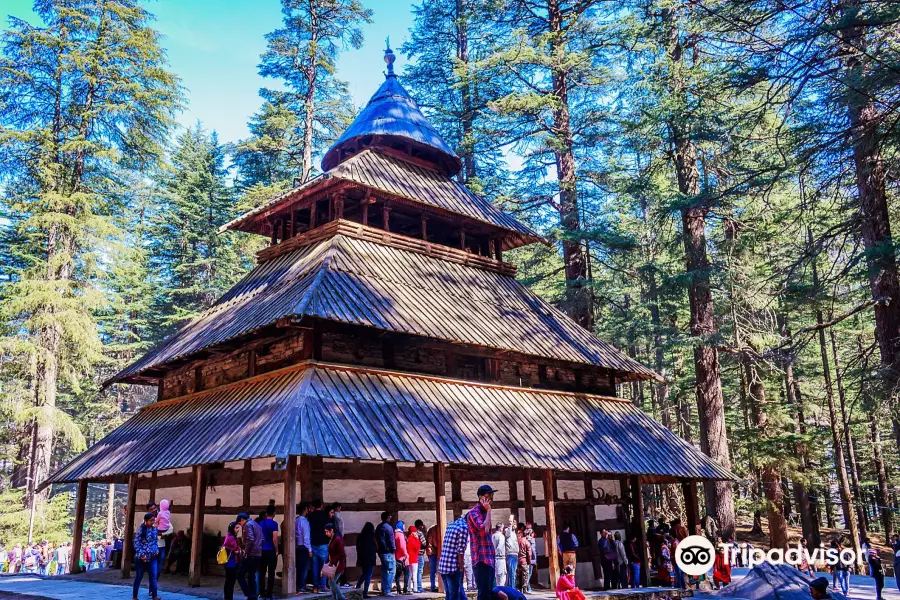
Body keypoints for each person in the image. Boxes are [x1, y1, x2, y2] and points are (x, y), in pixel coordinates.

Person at [467, 485, 497, 600]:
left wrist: (487, 511)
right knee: (483, 594)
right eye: (488, 495)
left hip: (489, 558)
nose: (491, 498)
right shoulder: (474, 513)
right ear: (481, 498)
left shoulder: (485, 513)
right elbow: (484, 529)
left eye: (492, 495)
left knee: (489, 593)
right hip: (481, 559)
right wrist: (489, 510)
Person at [438, 517, 469, 600]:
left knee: (449, 594)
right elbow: (460, 551)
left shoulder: (451, 525)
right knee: (454, 595)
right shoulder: (464, 527)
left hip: (443, 564)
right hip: (452, 567)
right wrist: (461, 567)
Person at [132, 512, 160, 600]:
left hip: (152, 556)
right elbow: (136, 543)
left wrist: (156, 550)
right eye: (151, 520)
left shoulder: (155, 530)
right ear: (146, 521)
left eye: (153, 520)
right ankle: (134, 596)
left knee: (153, 576)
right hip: (141, 557)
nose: (152, 522)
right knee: (139, 576)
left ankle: (154, 595)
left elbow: (155, 542)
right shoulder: (141, 530)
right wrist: (142, 555)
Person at [237, 511, 264, 600]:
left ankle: (249, 594)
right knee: (251, 575)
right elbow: (262, 539)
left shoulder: (248, 525)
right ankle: (253, 597)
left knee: (240, 575)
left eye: (240, 523)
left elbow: (250, 540)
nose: (240, 525)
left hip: (251, 554)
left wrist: (246, 553)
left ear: (242, 520)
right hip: (258, 554)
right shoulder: (257, 525)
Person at [257, 506, 280, 600]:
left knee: (262, 572)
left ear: (266, 513)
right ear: (274, 513)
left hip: (262, 550)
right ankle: (269, 593)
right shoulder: (274, 524)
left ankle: (261, 592)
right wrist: (277, 550)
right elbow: (275, 538)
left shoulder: (261, 523)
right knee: (271, 572)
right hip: (270, 550)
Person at [308, 499, 330, 594]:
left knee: (315, 566)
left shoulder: (310, 516)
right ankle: (323, 586)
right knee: (324, 566)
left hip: (313, 543)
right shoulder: (325, 515)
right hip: (323, 544)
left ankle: (315, 587)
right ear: (321, 506)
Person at [376, 511, 397, 597]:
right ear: (388, 517)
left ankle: (383, 589)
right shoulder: (388, 527)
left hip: (381, 552)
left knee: (385, 571)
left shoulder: (378, 527)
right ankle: (387, 590)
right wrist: (393, 549)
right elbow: (391, 540)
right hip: (388, 551)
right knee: (392, 571)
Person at [355, 522, 377, 599]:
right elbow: (376, 547)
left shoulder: (360, 537)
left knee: (364, 574)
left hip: (362, 559)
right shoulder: (372, 537)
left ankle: (357, 587)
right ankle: (365, 593)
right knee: (368, 576)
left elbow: (358, 548)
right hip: (370, 559)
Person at [325, 523, 346, 600]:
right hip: (333, 564)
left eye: (327, 531)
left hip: (338, 564)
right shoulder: (332, 539)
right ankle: (335, 598)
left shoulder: (337, 539)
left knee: (331, 582)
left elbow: (342, 554)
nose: (326, 533)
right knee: (332, 582)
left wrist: (333, 561)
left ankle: (342, 597)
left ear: (332, 530)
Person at [295, 501, 312, 594]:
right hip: (304, 547)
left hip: (298, 546)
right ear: (305, 510)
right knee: (304, 568)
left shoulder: (296, 520)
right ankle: (302, 586)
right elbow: (306, 537)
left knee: (299, 567)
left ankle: (300, 585)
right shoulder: (304, 521)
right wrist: (309, 550)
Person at [223, 521, 242, 600]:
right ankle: (228, 597)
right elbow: (226, 547)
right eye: (236, 528)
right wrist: (236, 551)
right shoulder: (230, 537)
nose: (237, 530)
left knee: (230, 581)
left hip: (232, 562)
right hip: (230, 563)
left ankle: (228, 597)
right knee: (230, 581)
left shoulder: (231, 536)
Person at [394, 520, 410, 595]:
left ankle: (398, 589)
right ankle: (405, 589)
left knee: (397, 575)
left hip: (396, 557)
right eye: (403, 525)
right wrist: (406, 554)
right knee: (407, 573)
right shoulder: (400, 535)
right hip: (403, 558)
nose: (404, 527)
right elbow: (402, 546)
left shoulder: (395, 534)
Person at [410, 521, 427, 593]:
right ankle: (419, 587)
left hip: (413, 554)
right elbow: (424, 543)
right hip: (420, 554)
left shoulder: (411, 533)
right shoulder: (420, 533)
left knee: (413, 572)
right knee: (419, 571)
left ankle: (414, 587)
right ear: (420, 526)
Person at [503, 516, 519, 591]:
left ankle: (511, 587)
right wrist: (510, 523)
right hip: (510, 554)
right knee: (511, 571)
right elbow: (507, 535)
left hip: (515, 554)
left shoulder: (514, 533)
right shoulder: (507, 530)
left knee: (513, 571)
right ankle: (512, 587)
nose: (514, 525)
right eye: (513, 523)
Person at [515, 523, 531, 593]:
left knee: (518, 575)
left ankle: (518, 588)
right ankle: (524, 589)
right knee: (525, 575)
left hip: (518, 560)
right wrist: (529, 561)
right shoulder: (526, 542)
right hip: (524, 560)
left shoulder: (517, 541)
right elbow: (529, 553)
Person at [426, 523, 441, 592]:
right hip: (432, 552)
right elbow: (434, 542)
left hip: (434, 552)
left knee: (434, 570)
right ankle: (434, 586)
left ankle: (434, 585)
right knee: (434, 570)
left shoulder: (432, 529)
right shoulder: (434, 530)